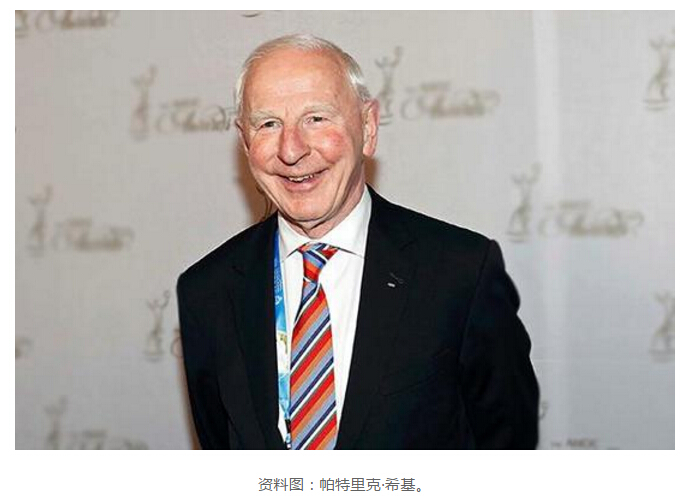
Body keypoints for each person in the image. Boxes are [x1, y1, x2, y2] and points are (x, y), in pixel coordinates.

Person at [177, 34, 539, 450]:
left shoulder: (462, 274)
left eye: (316, 118)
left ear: (368, 128)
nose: (291, 150)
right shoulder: (206, 292)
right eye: (268, 124)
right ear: (244, 142)